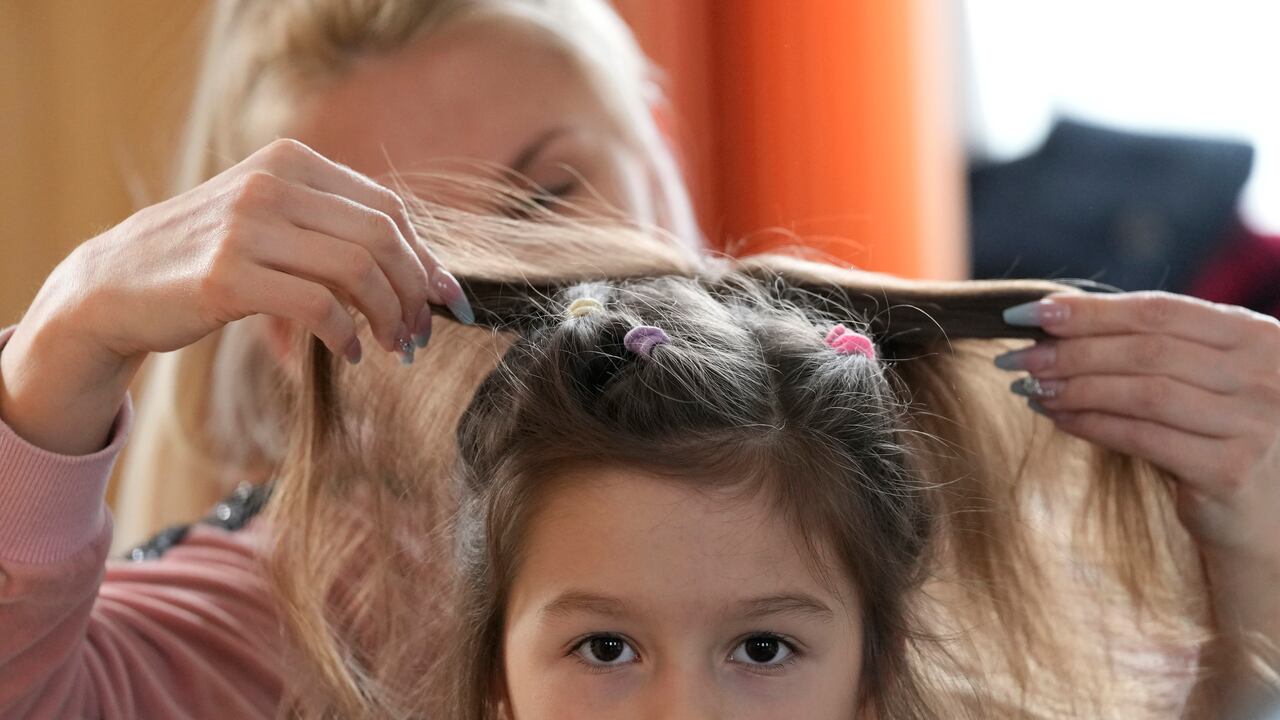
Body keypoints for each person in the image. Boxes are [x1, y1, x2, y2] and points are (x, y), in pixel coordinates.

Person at [110, 0, 701, 550]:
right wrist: (73, 333)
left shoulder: (790, 437)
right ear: (303, 337)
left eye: (548, 194)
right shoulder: (266, 610)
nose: (523, 281)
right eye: (409, 259)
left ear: (657, 164)